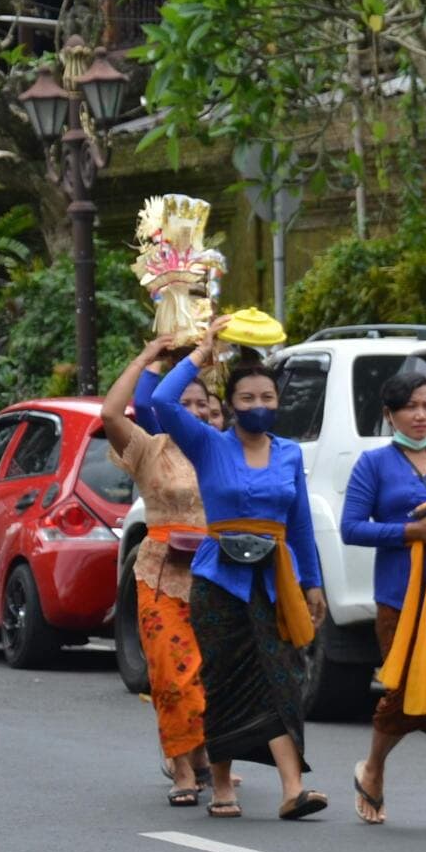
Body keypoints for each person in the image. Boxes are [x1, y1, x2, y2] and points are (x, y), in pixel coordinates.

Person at [151, 321, 329, 820]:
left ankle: (293, 789)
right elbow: (163, 403)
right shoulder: (209, 444)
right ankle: (223, 785)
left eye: (267, 396)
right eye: (247, 397)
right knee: (224, 677)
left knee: (283, 676)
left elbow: (300, 526)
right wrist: (200, 356)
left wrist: (312, 584)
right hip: (217, 578)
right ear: (230, 405)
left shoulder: (290, 453)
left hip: (277, 579)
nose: (258, 405)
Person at [341, 372, 426, 832]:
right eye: (409, 407)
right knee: (402, 692)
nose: (420, 415)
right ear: (390, 415)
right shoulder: (374, 463)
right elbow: (352, 528)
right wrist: (408, 532)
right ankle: (373, 767)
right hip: (399, 598)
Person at [101, 334, 220, 809]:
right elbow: (111, 414)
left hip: (217, 575)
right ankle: (184, 767)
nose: (193, 410)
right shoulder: (151, 449)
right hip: (161, 573)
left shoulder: (224, 451)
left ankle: (207, 751)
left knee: (211, 675)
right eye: (182, 401)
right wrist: (148, 356)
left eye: (202, 404)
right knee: (171, 675)